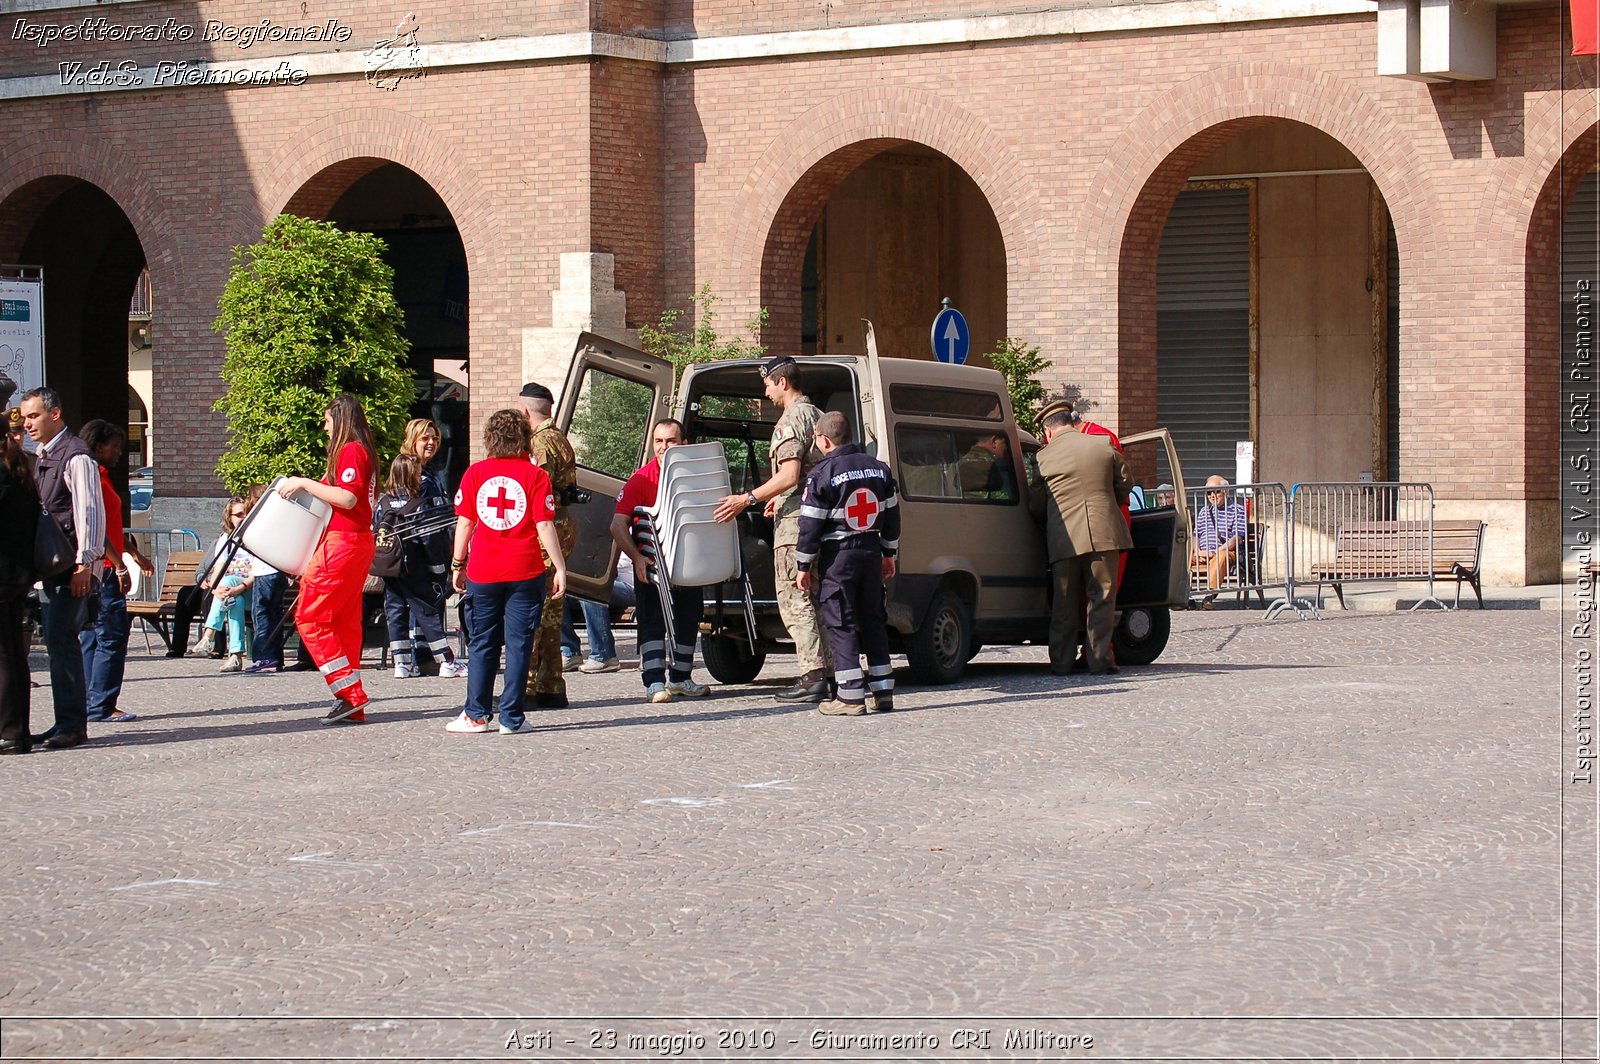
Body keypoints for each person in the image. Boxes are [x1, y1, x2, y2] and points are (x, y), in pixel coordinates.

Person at [712, 355, 829, 703]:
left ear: (782, 382)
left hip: (796, 528)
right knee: (819, 600)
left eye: (767, 383)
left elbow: (791, 474)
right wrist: (777, 498)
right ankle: (831, 673)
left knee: (796, 600)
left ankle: (812, 676)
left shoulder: (790, 420)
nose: (764, 391)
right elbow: (811, 474)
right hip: (820, 521)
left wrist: (746, 498)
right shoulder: (820, 416)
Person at [446, 408, 567, 734]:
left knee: (483, 643)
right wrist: (559, 566)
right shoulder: (536, 476)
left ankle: (476, 715)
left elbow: (466, 522)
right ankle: (512, 718)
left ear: (490, 438)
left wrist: (457, 564)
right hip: (526, 570)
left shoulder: (475, 473)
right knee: (519, 645)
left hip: (483, 571)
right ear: (525, 438)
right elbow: (545, 524)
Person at [274, 394, 379, 724]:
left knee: (311, 617)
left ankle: (350, 694)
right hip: (356, 542)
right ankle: (352, 701)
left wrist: (303, 482)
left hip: (343, 543)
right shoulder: (361, 451)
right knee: (343, 622)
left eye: (328, 421)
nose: (325, 428)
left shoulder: (351, 451)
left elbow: (347, 498)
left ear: (342, 421)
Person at [795, 411, 900, 717]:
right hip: (870, 553)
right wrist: (888, 553)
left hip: (839, 557)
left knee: (840, 621)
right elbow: (892, 518)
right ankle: (883, 691)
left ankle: (850, 697)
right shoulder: (880, 470)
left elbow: (810, 526)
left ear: (824, 440)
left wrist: (803, 565)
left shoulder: (822, 474)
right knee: (872, 619)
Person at [19, 386, 104, 750]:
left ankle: (72, 724)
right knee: (57, 642)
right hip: (54, 568)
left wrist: (86, 563)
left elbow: (88, 512)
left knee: (62, 641)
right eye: (24, 418)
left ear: (55, 414)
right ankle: (63, 722)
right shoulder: (42, 456)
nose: (27, 424)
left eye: (34, 416)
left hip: (73, 567)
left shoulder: (76, 456)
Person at [1029, 403, 1132, 676]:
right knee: (1102, 598)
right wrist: (1110, 503)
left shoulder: (1043, 457)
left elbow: (1036, 503)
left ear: (1048, 431)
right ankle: (1099, 660)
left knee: (1064, 601)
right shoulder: (1101, 444)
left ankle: (1061, 662)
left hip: (1064, 539)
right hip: (1104, 533)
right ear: (1072, 422)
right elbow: (1125, 483)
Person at [613, 418, 711, 705]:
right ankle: (654, 681)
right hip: (651, 564)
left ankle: (681, 678)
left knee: (689, 617)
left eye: (670, 441)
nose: (663, 447)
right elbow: (617, 526)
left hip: (689, 564)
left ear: (684, 444)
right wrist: (637, 558)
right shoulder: (641, 479)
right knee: (652, 620)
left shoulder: (698, 476)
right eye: (658, 441)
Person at [78, 420, 152, 720]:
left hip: (105, 564)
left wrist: (135, 554)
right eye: (115, 446)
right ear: (98, 447)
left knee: (93, 636)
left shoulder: (102, 476)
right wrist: (120, 566)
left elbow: (113, 526)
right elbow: (99, 528)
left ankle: (88, 701)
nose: (120, 452)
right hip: (105, 568)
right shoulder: (93, 476)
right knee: (110, 636)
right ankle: (101, 705)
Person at [376, 452, 466, 679]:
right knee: (426, 611)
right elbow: (429, 539)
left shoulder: (383, 502)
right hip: (415, 567)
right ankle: (446, 660)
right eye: (417, 473)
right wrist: (438, 569)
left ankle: (402, 664)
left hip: (388, 566)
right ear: (410, 475)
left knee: (394, 611)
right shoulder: (418, 504)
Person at [520, 382, 578, 709]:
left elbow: (534, 489)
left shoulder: (539, 443)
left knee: (534, 609)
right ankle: (552, 684)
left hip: (546, 530)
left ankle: (526, 686)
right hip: (562, 526)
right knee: (553, 612)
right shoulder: (559, 437)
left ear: (525, 410)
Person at [0, 372, 37, 754]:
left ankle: (11, 731)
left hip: (4, 577)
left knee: (6, 657)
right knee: (13, 654)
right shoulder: (22, 474)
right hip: (15, 578)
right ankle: (16, 729)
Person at [397, 418, 451, 674]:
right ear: (412, 440)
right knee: (423, 604)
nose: (431, 443)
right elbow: (420, 521)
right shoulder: (411, 472)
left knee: (427, 604)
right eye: (425, 439)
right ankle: (422, 657)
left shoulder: (431, 473)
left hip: (432, 549)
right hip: (419, 553)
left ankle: (421, 656)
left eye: (435, 439)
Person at [241, 482, 288, 674]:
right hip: (277, 571)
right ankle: (275, 658)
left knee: (262, 615)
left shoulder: (260, 520)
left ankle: (264, 657)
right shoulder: (278, 519)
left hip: (265, 571)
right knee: (274, 615)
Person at [1192, 475, 1250, 609]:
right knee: (1180, 558)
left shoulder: (1237, 510)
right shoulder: (1204, 511)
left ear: (1226, 491)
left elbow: (1237, 538)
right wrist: (1197, 551)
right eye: (1209, 493)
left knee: (1221, 557)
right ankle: (1184, 597)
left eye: (1217, 491)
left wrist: (1214, 552)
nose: (1212, 495)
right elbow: (1196, 535)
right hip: (1204, 553)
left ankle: (1209, 596)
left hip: (1225, 552)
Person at [562, 594, 619, 673]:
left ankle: (604, 656)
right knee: (556, 592)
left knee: (589, 590)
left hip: (624, 588)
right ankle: (569, 653)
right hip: (577, 587)